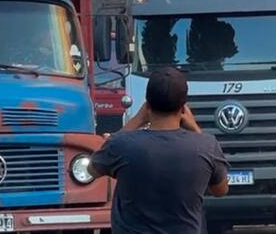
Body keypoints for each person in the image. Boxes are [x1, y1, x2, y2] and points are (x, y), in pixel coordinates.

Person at [89, 67, 229, 234]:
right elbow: (221, 190)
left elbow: (92, 170)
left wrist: (137, 120)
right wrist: (194, 127)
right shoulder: (206, 145)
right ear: (183, 108)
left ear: (147, 104)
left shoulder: (122, 145)